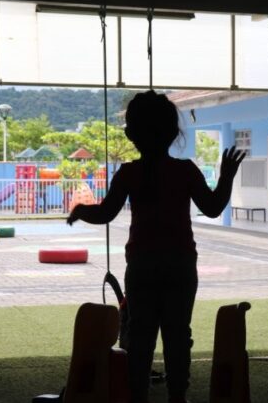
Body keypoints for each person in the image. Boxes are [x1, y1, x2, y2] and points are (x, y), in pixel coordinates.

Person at [67, 91, 245, 403]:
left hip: (142, 266)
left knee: (140, 336)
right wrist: (227, 176)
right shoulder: (185, 170)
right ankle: (177, 397)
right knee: (178, 335)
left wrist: (80, 210)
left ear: (133, 135)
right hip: (180, 265)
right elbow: (213, 207)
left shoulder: (129, 173)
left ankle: (138, 396)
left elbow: (105, 213)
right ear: (173, 133)